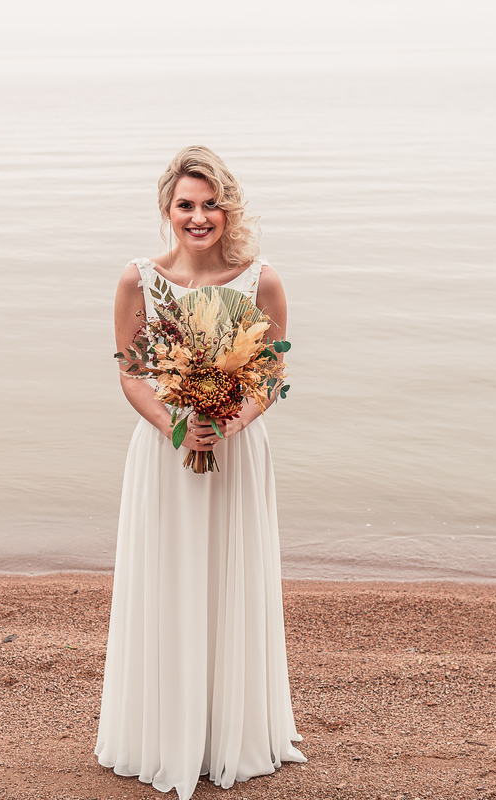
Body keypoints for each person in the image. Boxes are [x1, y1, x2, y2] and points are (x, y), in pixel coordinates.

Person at [95, 146, 306, 800]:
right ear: (167, 210)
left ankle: (231, 736)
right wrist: (178, 425)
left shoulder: (261, 280)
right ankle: (162, 733)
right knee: (169, 580)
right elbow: (132, 374)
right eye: (186, 204)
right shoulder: (138, 280)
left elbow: (270, 373)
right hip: (166, 452)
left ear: (228, 206)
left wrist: (229, 420)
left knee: (228, 578)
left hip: (236, 452)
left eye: (210, 203)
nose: (199, 216)